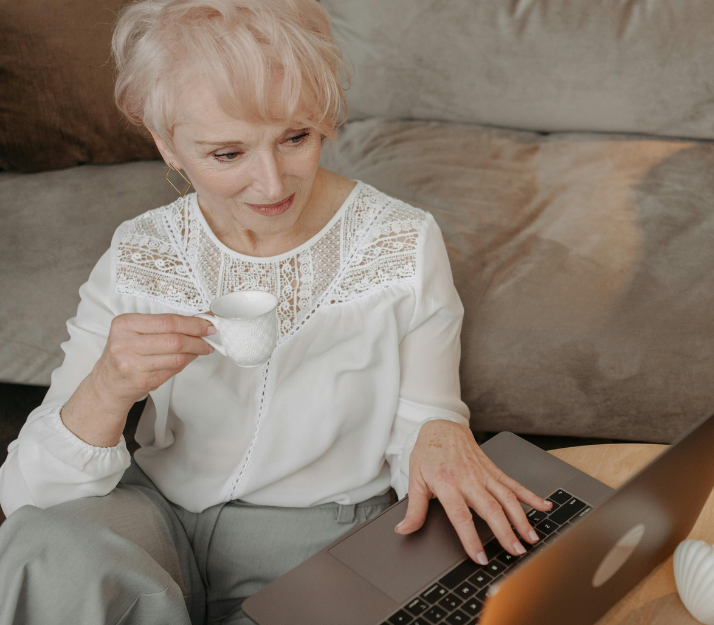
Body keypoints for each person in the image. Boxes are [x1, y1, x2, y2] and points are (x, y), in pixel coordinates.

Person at [0, 1, 550, 623]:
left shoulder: (402, 239)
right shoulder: (142, 251)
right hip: (153, 520)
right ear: (167, 145)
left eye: (295, 138)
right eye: (227, 154)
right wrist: (105, 388)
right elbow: (27, 496)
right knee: (44, 551)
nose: (272, 185)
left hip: (319, 541)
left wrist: (439, 428)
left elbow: (426, 421)